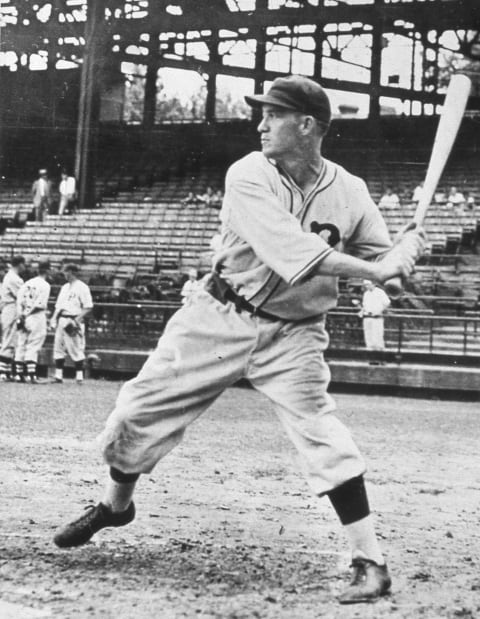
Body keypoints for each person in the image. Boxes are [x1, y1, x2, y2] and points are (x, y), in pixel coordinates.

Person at [53, 75, 424, 605]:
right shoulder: (249, 174)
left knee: (320, 429)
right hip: (219, 315)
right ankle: (116, 506)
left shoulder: (352, 192)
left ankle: (370, 560)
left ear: (307, 125)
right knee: (134, 413)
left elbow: (385, 265)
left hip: (293, 334)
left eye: (274, 114)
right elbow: (295, 255)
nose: (260, 124)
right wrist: (379, 267)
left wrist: (405, 255)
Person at [50, 264, 93, 384]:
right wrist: (53, 318)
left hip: (73, 318)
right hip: (62, 319)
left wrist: (76, 321)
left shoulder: (82, 287)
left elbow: (88, 306)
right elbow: (58, 306)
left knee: (75, 348)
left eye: (65, 272)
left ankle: (79, 376)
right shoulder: (64, 287)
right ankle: (59, 376)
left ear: (71, 272)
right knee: (58, 347)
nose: (64, 274)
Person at [14, 261, 51, 383]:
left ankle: (19, 374)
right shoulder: (45, 285)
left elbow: (19, 301)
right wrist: (28, 314)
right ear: (47, 271)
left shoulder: (27, 283)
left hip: (23, 315)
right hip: (35, 316)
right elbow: (40, 305)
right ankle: (31, 375)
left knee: (21, 343)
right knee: (34, 343)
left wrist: (22, 315)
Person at [0, 255, 26, 380]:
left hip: (9, 307)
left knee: (10, 339)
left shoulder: (10, 276)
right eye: (23, 264)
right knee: (9, 339)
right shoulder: (13, 278)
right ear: (20, 264)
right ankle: (3, 372)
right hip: (11, 307)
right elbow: (21, 296)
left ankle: (6, 371)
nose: (24, 267)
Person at [360, 280, 391, 351]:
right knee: (368, 335)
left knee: (377, 336)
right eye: (366, 285)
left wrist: (379, 310)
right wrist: (362, 311)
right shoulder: (366, 294)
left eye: (368, 284)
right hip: (367, 316)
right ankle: (369, 351)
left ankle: (379, 353)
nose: (367, 286)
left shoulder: (380, 292)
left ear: (373, 284)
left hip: (377, 317)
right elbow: (365, 305)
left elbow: (387, 303)